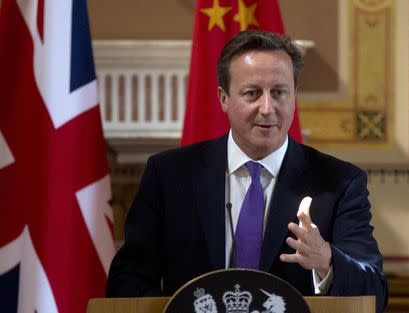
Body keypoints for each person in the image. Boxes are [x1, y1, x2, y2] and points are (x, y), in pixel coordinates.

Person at [106, 30, 387, 313]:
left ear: (294, 97)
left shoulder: (340, 182)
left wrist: (326, 260)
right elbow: (127, 280)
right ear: (224, 98)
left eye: (279, 92)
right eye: (252, 93)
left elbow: (374, 293)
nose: (267, 108)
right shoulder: (169, 174)